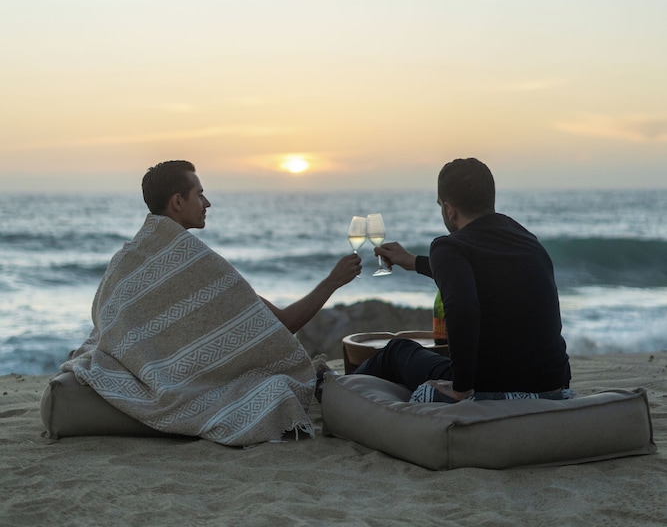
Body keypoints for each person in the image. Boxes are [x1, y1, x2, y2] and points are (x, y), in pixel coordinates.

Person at [62, 160, 360, 446]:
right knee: (281, 384)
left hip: (148, 373)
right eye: (200, 194)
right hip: (180, 383)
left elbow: (105, 322)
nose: (207, 203)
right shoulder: (196, 264)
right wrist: (332, 282)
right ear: (178, 202)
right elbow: (281, 325)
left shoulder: (126, 258)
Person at [355, 157, 571, 402]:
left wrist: (461, 387)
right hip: (553, 381)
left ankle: (336, 389)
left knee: (397, 350)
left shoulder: (448, 246)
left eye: (440, 205)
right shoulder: (525, 239)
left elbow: (463, 307)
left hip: (490, 382)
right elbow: (479, 273)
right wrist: (414, 262)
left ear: (449, 209)